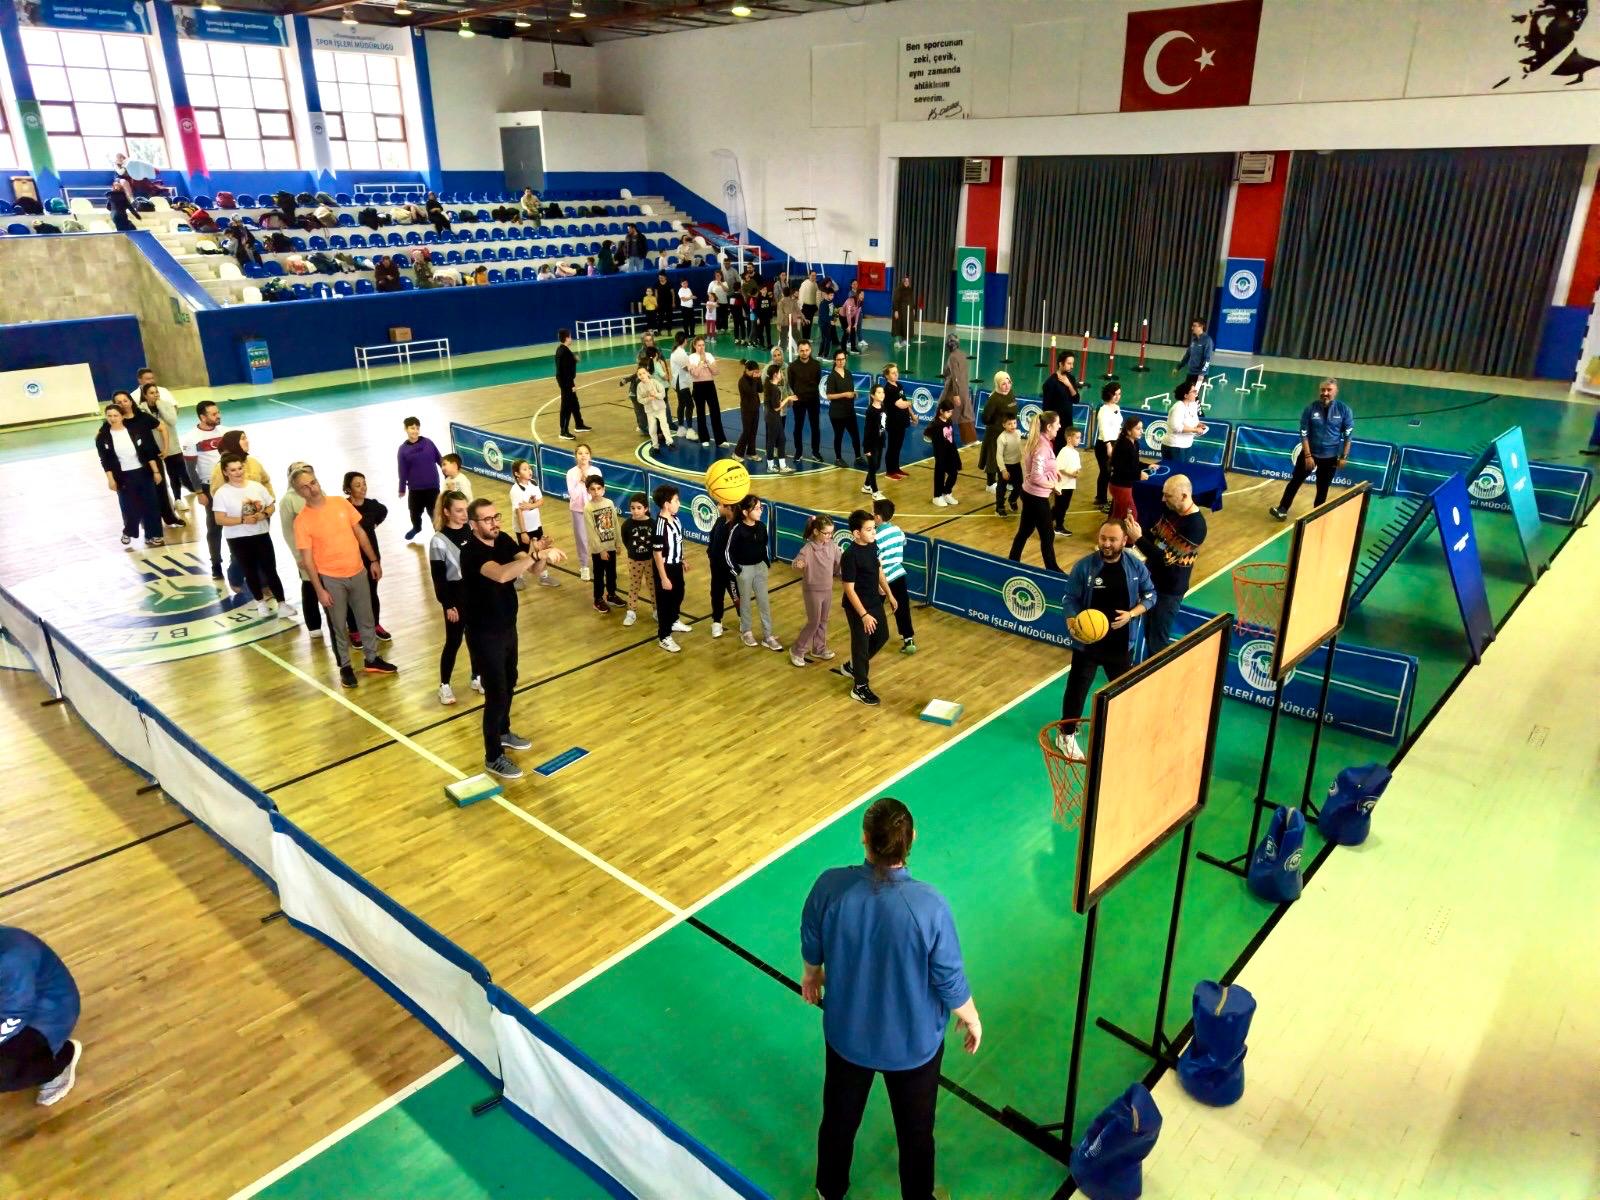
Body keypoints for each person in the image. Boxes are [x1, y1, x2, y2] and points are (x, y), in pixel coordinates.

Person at [802, 798, 980, 1200]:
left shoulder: (830, 886)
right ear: (911, 839)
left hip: (847, 1037)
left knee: (838, 1122)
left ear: (865, 839)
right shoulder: (930, 905)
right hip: (912, 1048)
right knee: (916, 1135)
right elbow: (949, 978)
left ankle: (828, 1190)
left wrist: (812, 974)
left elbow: (811, 935)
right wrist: (971, 1018)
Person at [460, 498, 555, 780]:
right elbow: (502, 575)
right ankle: (493, 757)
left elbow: (533, 570)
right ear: (473, 524)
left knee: (510, 680)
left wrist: (539, 555)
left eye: (496, 517)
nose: (494, 523)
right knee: (496, 692)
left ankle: (503, 732)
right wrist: (534, 555)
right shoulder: (471, 551)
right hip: (483, 633)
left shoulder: (502, 539)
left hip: (507, 627)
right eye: (487, 519)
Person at [1058, 521, 1157, 757]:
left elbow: (1151, 595)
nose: (1106, 544)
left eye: (1112, 540)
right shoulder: (1084, 566)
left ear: (1124, 541)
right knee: (1077, 690)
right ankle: (1066, 734)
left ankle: (1122, 731)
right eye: (1103, 538)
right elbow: (1070, 598)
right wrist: (1072, 622)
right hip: (1088, 643)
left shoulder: (1135, 566)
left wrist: (1131, 614)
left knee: (1124, 692)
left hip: (1121, 643)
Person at [291, 467, 395, 689]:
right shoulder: (302, 521)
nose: (312, 489)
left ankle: (372, 659)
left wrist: (373, 560)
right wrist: (319, 590)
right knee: (339, 625)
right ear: (299, 492)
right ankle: (345, 667)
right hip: (331, 579)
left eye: (313, 482)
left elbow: (360, 533)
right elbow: (307, 560)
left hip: (358, 572)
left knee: (367, 619)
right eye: (305, 487)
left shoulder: (340, 503)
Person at [0, 925, 83, 1108]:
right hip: (14, 1002)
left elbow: (14, 1016)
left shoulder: (12, 958)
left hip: (49, 1013)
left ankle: (63, 1058)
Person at [214, 453, 296, 620]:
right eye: (233, 470)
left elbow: (271, 506)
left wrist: (263, 514)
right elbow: (219, 519)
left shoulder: (256, 486)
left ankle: (282, 604)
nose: (238, 472)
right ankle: (260, 603)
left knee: (270, 569)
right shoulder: (222, 493)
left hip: (261, 534)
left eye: (240, 468)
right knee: (249, 571)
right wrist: (243, 520)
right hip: (238, 539)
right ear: (225, 472)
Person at [1133, 474, 1208, 654]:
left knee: (1158, 642)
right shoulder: (1171, 510)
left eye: (1168, 495)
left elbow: (1165, 559)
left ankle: (1161, 670)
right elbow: (1154, 536)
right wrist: (1135, 530)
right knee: (1149, 633)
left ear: (1184, 496)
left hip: (1169, 590)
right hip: (1152, 581)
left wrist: (1138, 539)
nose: (1163, 499)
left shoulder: (1196, 526)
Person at [832, 508, 897, 705]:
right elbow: (849, 589)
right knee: (861, 646)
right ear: (856, 533)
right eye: (869, 530)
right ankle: (860, 687)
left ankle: (854, 666)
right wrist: (864, 615)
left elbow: (878, 570)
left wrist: (890, 594)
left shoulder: (872, 545)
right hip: (857, 608)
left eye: (873, 528)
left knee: (882, 636)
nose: (873, 532)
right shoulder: (850, 556)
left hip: (874, 601)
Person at [427, 490, 483, 706]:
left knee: (476, 638)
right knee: (454, 641)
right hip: (454, 597)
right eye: (459, 510)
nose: (464, 514)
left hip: (475, 594)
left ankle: (477, 677)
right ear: (446, 512)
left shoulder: (472, 531)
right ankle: (444, 685)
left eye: (466, 509)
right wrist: (448, 604)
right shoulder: (438, 541)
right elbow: (438, 578)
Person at [1271, 379, 1354, 519]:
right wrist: (1308, 456)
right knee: (1295, 482)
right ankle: (1282, 509)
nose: (1325, 393)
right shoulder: (1310, 409)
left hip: (1330, 458)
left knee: (1323, 488)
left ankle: (1316, 516)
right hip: (1309, 455)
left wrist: (1344, 457)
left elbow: (1348, 436)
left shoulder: (1344, 410)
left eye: (1329, 390)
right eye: (1323, 390)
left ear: (1336, 392)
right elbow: (1304, 434)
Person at [95, 401, 165, 549]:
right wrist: (110, 479)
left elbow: (147, 452)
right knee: (130, 507)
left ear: (122, 416)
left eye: (116, 415)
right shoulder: (103, 437)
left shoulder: (134, 430)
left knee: (151, 504)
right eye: (109, 416)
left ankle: (153, 534)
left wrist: (156, 471)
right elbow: (105, 460)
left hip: (143, 472)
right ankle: (128, 531)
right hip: (123, 476)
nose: (112, 418)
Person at [113, 389, 183, 529]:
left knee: (160, 489)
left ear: (131, 401)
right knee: (141, 492)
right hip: (134, 463)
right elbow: (101, 437)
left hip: (152, 458)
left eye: (125, 400)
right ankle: (148, 521)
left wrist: (165, 448)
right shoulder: (117, 422)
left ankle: (169, 517)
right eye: (118, 402)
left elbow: (162, 428)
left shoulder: (143, 416)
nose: (123, 404)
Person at [726, 494, 782, 650]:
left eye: (760, 508)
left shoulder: (762, 526)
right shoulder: (737, 529)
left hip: (760, 568)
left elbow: (764, 545)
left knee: (764, 602)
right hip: (744, 570)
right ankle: (747, 632)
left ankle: (768, 636)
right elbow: (728, 552)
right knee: (745, 602)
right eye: (756, 509)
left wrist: (765, 562)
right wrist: (737, 570)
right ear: (745, 512)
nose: (760, 511)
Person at [182, 399, 230, 578]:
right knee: (214, 526)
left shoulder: (226, 432)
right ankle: (216, 563)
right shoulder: (191, 438)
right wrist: (199, 492)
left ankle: (237, 560)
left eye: (218, 412)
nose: (218, 416)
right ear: (203, 417)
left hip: (230, 484)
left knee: (236, 522)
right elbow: (190, 469)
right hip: (209, 487)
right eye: (214, 414)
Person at [1009, 411, 1062, 571]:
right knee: (1048, 535)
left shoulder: (1042, 442)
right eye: (1057, 423)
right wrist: (1052, 485)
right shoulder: (1042, 447)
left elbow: (1041, 466)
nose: (1060, 426)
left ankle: (1012, 562)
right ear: (1049, 426)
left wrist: (1055, 472)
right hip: (1036, 497)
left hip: (1030, 494)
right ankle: (1052, 571)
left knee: (1025, 531)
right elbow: (1036, 477)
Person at [342, 471, 390, 641]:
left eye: (364, 483)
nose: (363, 488)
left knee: (371, 592)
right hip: (350, 557)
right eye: (358, 485)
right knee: (352, 595)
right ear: (348, 489)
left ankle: (375, 624)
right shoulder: (343, 507)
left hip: (371, 556)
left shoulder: (372, 505)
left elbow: (383, 511)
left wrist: (375, 523)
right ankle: (354, 630)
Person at [279, 461, 324, 637]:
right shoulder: (288, 500)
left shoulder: (320, 493)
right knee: (310, 585)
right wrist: (299, 556)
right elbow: (288, 532)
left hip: (325, 550)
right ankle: (314, 625)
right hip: (306, 552)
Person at [790, 513, 840, 667]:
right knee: (814, 621)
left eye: (831, 533)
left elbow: (839, 564)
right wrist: (798, 564)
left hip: (827, 589)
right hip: (812, 591)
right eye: (826, 533)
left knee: (823, 620)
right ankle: (797, 650)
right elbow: (797, 562)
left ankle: (818, 648)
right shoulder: (808, 549)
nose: (829, 536)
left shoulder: (833, 546)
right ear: (816, 531)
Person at [135, 368, 189, 509]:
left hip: (171, 445)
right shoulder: (139, 407)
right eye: (151, 393)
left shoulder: (165, 400)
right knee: (158, 475)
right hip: (153, 447)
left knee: (176, 472)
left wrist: (160, 406)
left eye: (156, 392)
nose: (155, 395)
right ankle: (163, 502)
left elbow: (172, 420)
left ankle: (178, 498)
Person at [652, 484, 694, 652]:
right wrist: (663, 578)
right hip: (665, 568)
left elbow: (677, 542)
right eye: (676, 500)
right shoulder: (660, 526)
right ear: (666, 504)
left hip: (676, 565)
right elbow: (657, 554)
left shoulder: (675, 519)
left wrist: (682, 559)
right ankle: (664, 636)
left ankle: (674, 620)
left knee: (679, 593)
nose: (679, 503)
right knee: (665, 603)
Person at [872, 497, 916, 655]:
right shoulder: (897, 530)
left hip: (881, 578)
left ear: (877, 517)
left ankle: (871, 634)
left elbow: (874, 559)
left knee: (874, 608)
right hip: (898, 574)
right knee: (902, 607)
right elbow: (903, 542)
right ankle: (908, 639)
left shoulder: (875, 537)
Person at [397, 417, 443, 541]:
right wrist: (402, 488)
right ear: (406, 429)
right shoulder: (403, 450)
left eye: (417, 428)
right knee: (414, 512)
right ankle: (416, 528)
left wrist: (447, 472)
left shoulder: (428, 443)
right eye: (412, 428)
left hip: (432, 487)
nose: (415, 431)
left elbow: (439, 459)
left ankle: (439, 534)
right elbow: (402, 470)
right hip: (415, 489)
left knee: (435, 513)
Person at [583, 475, 624, 613]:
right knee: (599, 575)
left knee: (612, 573)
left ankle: (611, 595)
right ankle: (598, 599)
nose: (596, 491)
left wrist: (618, 542)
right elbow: (591, 531)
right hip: (598, 550)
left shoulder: (609, 503)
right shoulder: (588, 508)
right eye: (592, 489)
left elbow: (615, 523)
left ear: (603, 489)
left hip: (611, 546)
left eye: (599, 488)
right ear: (588, 490)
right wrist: (601, 550)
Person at [619, 493, 655, 628]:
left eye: (639, 508)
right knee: (634, 586)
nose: (635, 511)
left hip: (651, 560)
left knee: (653, 586)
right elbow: (625, 540)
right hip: (634, 560)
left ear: (646, 508)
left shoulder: (653, 523)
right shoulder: (627, 524)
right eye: (633, 508)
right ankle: (631, 612)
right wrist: (633, 552)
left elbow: (657, 541)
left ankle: (657, 611)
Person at [979, 371, 1018, 493]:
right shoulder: (994, 399)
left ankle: (1008, 481)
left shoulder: (1010, 393)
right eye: (1003, 384)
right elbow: (985, 418)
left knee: (1009, 457)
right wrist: (998, 424)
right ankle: (990, 483)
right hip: (995, 434)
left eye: (1008, 383)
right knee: (993, 458)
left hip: (1009, 432)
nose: (1007, 386)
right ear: (997, 384)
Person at [566, 444, 600, 582]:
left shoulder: (596, 471)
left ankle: (599, 565)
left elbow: (599, 492)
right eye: (580, 453)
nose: (583, 456)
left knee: (597, 538)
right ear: (576, 456)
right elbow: (573, 495)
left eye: (586, 453)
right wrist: (580, 481)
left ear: (590, 455)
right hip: (578, 510)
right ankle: (584, 566)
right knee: (581, 539)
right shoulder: (571, 473)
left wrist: (587, 481)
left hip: (595, 510)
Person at [1107, 417, 1151, 523]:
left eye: (1142, 428)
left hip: (1122, 485)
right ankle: (1128, 535)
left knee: (1117, 514)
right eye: (1138, 429)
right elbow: (1122, 470)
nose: (1141, 431)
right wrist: (1138, 475)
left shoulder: (1135, 443)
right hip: (1120, 486)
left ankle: (1111, 530)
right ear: (1128, 431)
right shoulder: (1123, 446)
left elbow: (1134, 463)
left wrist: (1148, 465)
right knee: (1132, 515)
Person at [707, 500, 738, 639]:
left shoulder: (737, 526)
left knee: (736, 596)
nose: (717, 506)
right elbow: (712, 537)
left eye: (720, 505)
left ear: (729, 507)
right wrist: (710, 554)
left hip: (731, 572)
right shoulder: (720, 521)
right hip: (716, 568)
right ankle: (716, 621)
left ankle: (743, 619)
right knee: (716, 595)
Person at [687, 336, 727, 446]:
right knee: (701, 413)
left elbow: (716, 372)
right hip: (698, 386)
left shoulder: (709, 355)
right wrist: (701, 362)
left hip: (710, 385)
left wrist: (708, 363)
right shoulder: (691, 357)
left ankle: (720, 440)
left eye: (703, 345)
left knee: (715, 411)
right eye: (699, 345)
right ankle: (704, 438)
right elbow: (695, 374)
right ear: (695, 346)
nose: (701, 347)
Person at [788, 339, 824, 461]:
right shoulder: (792, 366)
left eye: (806, 350)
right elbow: (791, 383)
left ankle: (816, 452)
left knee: (815, 427)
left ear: (810, 350)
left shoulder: (816, 365)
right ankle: (798, 452)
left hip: (813, 400)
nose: (804, 353)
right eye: (802, 350)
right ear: (798, 351)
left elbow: (818, 380)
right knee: (798, 427)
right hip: (799, 401)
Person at [825, 351, 862, 467]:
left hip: (849, 410)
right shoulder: (832, 376)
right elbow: (829, 396)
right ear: (835, 361)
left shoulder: (848, 373)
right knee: (839, 435)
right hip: (837, 412)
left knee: (855, 435)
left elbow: (850, 390)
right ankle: (838, 458)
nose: (841, 361)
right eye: (838, 359)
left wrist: (854, 393)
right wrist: (845, 394)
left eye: (843, 359)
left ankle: (858, 457)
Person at [1092, 383, 1124, 511]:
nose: (1117, 397)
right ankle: (1101, 499)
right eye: (1115, 394)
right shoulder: (1103, 409)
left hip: (1115, 442)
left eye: (1119, 394)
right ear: (1108, 394)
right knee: (1105, 472)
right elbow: (1103, 429)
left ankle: (1106, 498)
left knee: (1111, 472)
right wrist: (1109, 446)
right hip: (1104, 444)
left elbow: (1117, 426)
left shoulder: (1117, 407)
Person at [554, 329, 590, 440]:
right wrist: (571, 385)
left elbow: (567, 364)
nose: (571, 338)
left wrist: (574, 360)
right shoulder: (563, 352)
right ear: (566, 338)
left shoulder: (562, 349)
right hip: (566, 383)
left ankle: (579, 424)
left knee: (574, 403)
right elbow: (565, 371)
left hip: (567, 382)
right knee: (566, 407)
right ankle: (563, 431)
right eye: (570, 337)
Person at [1041, 354, 1079, 451]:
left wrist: (1069, 385)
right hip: (1056, 425)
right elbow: (1046, 408)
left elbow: (1076, 399)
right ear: (1061, 364)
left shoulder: (1071, 379)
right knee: (1056, 451)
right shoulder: (1050, 382)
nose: (1072, 366)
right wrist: (1050, 428)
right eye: (1069, 363)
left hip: (1068, 423)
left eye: (1072, 363)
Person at [1164, 379, 1208, 464]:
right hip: (1174, 446)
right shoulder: (1178, 407)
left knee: (1183, 470)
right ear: (1186, 395)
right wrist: (1195, 430)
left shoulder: (1193, 405)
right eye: (1193, 391)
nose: (1196, 393)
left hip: (1187, 444)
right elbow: (1176, 427)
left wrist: (1200, 425)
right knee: (1176, 471)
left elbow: (1195, 421)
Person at [883, 364, 914, 480]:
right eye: (893, 373)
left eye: (897, 372)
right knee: (892, 446)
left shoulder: (899, 386)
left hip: (902, 421)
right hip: (893, 422)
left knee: (898, 446)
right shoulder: (888, 389)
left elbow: (904, 401)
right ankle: (890, 471)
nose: (896, 374)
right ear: (887, 375)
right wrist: (910, 403)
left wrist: (912, 415)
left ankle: (896, 468)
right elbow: (900, 404)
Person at [928, 398, 961, 507]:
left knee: (954, 473)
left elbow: (951, 438)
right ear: (941, 411)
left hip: (951, 452)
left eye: (951, 412)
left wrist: (955, 453)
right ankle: (937, 496)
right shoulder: (936, 424)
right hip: (941, 454)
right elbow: (927, 433)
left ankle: (946, 492)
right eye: (948, 412)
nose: (950, 414)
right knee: (940, 475)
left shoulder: (949, 421)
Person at [763, 362, 795, 474]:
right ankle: (770, 466)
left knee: (781, 440)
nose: (782, 374)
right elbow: (776, 407)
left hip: (773, 417)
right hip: (773, 418)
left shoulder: (770, 386)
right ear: (775, 375)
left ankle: (782, 465)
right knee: (772, 442)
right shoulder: (774, 389)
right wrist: (788, 398)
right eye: (780, 372)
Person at [1052, 425, 1084, 535]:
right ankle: (1058, 526)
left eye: (1080, 437)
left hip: (1070, 485)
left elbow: (1077, 467)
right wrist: (1070, 474)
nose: (1079, 440)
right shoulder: (1064, 451)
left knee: (1063, 506)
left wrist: (1077, 472)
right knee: (1060, 507)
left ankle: (1046, 520)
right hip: (1062, 485)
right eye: (1077, 437)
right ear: (1069, 438)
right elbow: (1059, 467)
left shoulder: (1076, 453)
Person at [940, 334, 972, 442]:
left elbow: (955, 376)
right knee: (965, 413)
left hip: (953, 389)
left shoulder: (952, 357)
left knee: (942, 410)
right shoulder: (963, 354)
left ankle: (933, 434)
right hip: (964, 388)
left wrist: (956, 394)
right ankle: (969, 438)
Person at [637, 363, 674, 452]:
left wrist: (656, 395)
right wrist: (648, 399)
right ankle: (655, 446)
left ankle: (670, 442)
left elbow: (663, 394)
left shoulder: (655, 382)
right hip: (650, 411)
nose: (642, 375)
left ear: (647, 373)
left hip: (660, 408)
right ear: (638, 376)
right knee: (652, 429)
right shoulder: (639, 386)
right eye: (640, 374)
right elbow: (639, 399)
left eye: (643, 373)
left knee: (664, 425)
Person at [861, 385, 887, 501]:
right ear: (872, 395)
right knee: (872, 467)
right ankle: (875, 492)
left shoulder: (883, 407)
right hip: (871, 444)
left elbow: (883, 424)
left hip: (880, 441)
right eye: (879, 392)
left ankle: (866, 486)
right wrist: (866, 448)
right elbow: (867, 430)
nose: (882, 394)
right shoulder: (870, 411)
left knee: (876, 466)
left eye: (883, 392)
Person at [993, 413, 1023, 516]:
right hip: (1005, 466)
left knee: (1019, 485)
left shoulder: (1018, 433)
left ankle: (1012, 500)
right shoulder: (1002, 438)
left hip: (1016, 464)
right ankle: (999, 507)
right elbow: (999, 455)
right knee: (1002, 487)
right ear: (1004, 425)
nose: (1013, 426)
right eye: (1009, 424)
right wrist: (1003, 470)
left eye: (1014, 423)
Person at [733, 359, 762, 461]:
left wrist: (759, 378)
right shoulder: (742, 381)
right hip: (747, 410)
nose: (754, 373)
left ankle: (751, 452)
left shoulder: (753, 378)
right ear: (747, 370)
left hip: (755, 408)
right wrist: (755, 379)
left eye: (756, 371)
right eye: (753, 371)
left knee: (753, 432)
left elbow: (760, 389)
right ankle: (737, 453)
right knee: (746, 432)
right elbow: (751, 392)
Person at [435, 453, 474, 526]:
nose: (442, 468)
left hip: (466, 512)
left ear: (454, 465)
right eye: (442, 465)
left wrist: (452, 491)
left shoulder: (462, 480)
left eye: (444, 464)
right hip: (454, 513)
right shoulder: (447, 480)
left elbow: (467, 497)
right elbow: (444, 496)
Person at [669, 331, 694, 442]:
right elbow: (686, 367)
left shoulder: (676, 351)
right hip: (681, 383)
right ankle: (690, 430)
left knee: (682, 404)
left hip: (678, 382)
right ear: (685, 340)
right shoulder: (680, 352)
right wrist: (696, 367)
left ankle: (681, 428)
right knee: (690, 405)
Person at [1174, 317, 1214, 386]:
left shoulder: (1208, 340)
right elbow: (1187, 355)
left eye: (1194, 326)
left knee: (1194, 393)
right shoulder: (1194, 340)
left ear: (1201, 327)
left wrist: (1202, 374)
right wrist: (1178, 367)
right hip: (1191, 373)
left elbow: (1207, 359)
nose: (1192, 328)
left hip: (1200, 375)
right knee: (1186, 391)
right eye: (1192, 326)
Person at [892, 275, 915, 347]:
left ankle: (904, 341)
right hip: (900, 311)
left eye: (908, 281)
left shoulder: (910, 290)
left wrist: (913, 308)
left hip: (908, 312)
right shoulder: (898, 289)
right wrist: (896, 310)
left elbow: (911, 300)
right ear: (903, 282)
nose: (907, 282)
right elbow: (895, 300)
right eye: (905, 281)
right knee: (898, 326)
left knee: (906, 326)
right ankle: (896, 342)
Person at [798, 269, 820, 339]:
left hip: (813, 307)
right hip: (805, 307)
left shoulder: (815, 284)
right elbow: (801, 296)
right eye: (812, 275)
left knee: (810, 322)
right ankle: (805, 338)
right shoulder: (804, 284)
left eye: (815, 276)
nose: (814, 277)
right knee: (805, 323)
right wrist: (800, 307)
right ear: (809, 275)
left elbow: (817, 296)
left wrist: (817, 306)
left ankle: (807, 338)